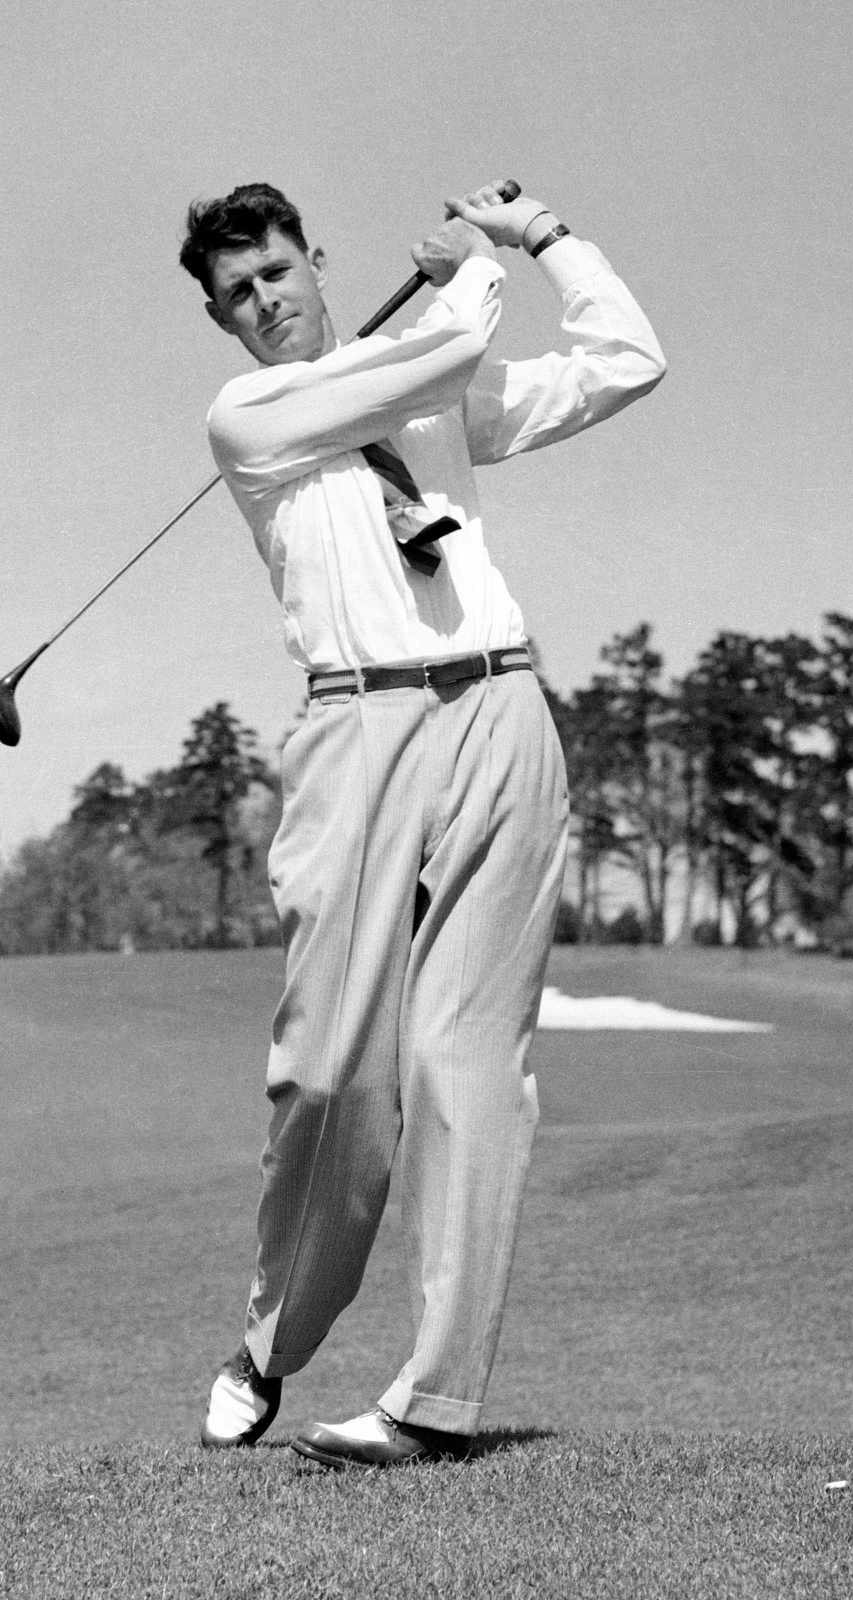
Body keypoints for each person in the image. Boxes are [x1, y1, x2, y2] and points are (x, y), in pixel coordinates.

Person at [183, 179, 665, 1468]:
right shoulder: (253, 416)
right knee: (336, 1073)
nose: (264, 300)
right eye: (238, 294)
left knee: (467, 1067)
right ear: (223, 325)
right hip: (358, 736)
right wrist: (471, 270)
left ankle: (435, 1398)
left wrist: (551, 236)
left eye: (278, 270)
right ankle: (272, 1344)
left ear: (314, 261)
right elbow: (441, 350)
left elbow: (628, 361)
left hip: (502, 710)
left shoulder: (423, 386)